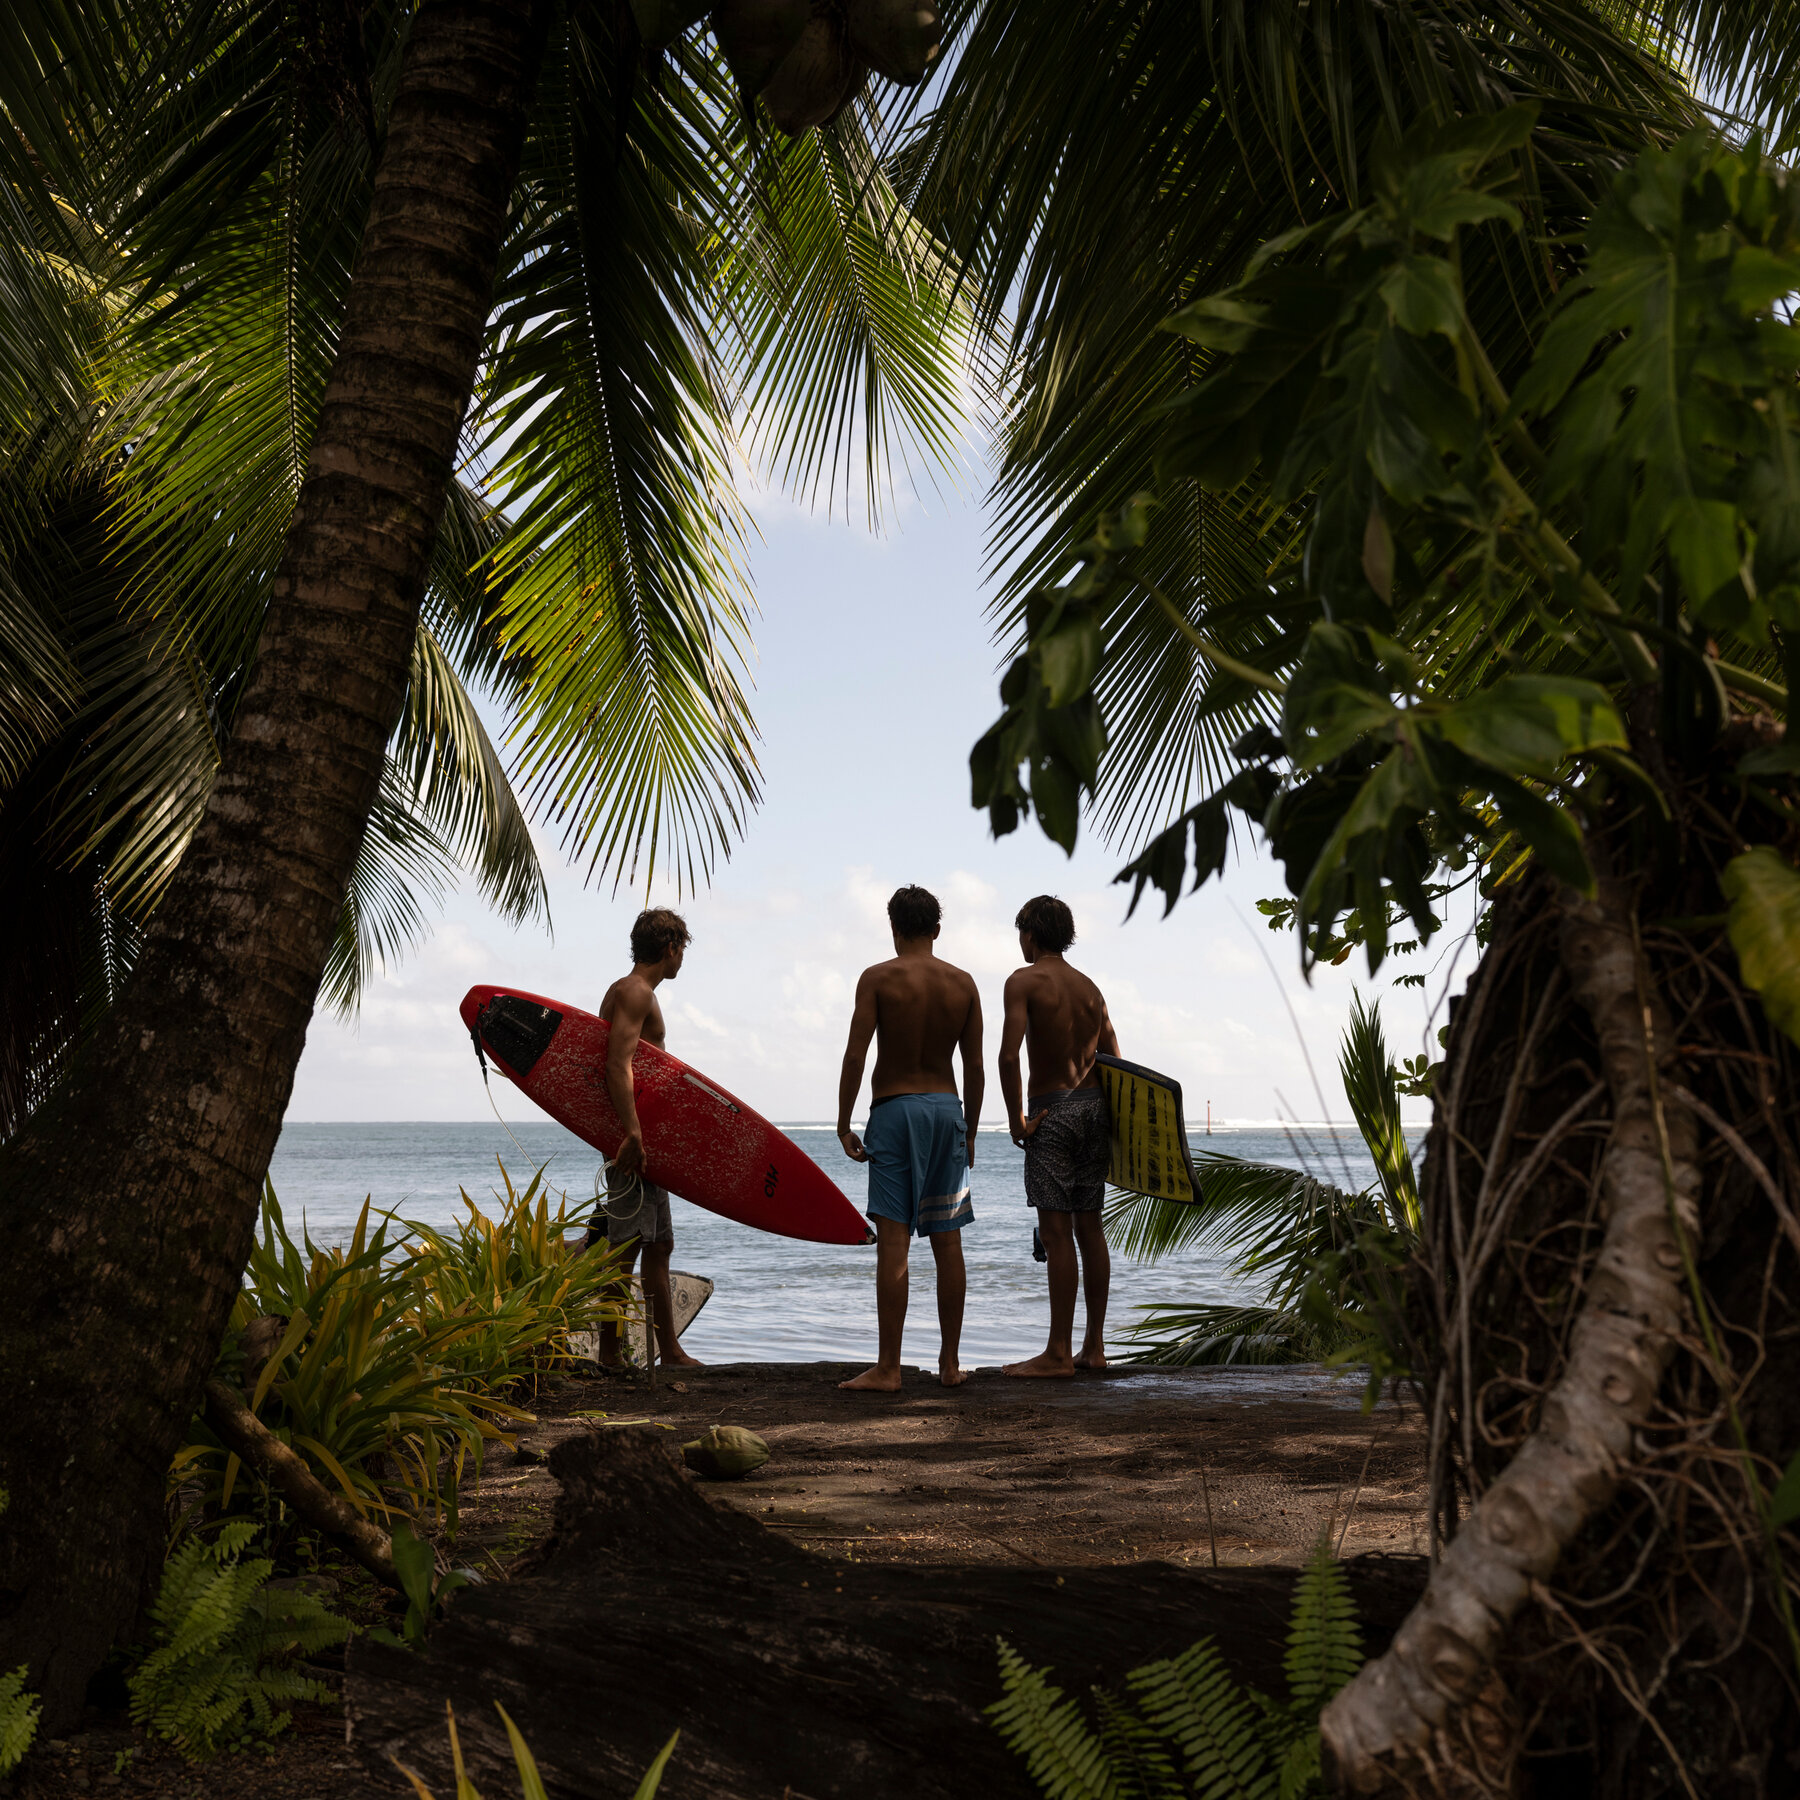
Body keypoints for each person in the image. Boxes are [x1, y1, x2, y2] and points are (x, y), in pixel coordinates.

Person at [835, 885, 984, 1391]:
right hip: (948, 1110)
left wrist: (842, 1121)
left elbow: (856, 1055)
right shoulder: (963, 984)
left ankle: (889, 1368)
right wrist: (972, 1130)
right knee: (948, 1240)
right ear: (936, 931)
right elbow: (976, 1066)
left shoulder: (878, 978)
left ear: (894, 929)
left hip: (894, 1110)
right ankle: (950, 1364)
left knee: (894, 1243)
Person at [999, 895, 1119, 1377]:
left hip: (1052, 1113)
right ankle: (1094, 1348)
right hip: (1096, 1110)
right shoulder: (1091, 989)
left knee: (1055, 1232)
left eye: (1020, 931)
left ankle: (1057, 1353)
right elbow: (1113, 1057)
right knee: (1090, 1228)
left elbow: (1009, 1057)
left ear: (1030, 932)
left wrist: (1015, 1121)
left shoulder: (1023, 981)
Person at [585, 907, 703, 1371]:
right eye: (682, 951)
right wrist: (632, 1133)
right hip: (632, 1140)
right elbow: (618, 1063)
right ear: (671, 947)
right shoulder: (634, 992)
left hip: (646, 1139)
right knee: (625, 1250)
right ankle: (611, 1354)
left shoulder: (637, 992)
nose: (682, 961)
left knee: (658, 1246)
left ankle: (668, 1351)